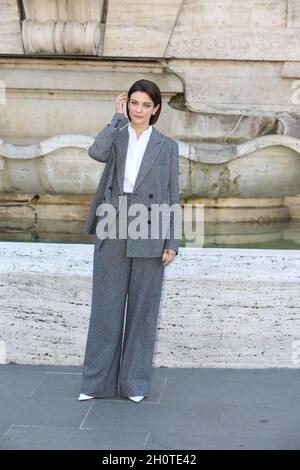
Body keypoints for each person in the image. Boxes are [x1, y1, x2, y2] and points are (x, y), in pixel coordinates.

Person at [78, 79, 180, 403]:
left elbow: (173, 195)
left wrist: (172, 241)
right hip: (113, 223)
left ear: (156, 109)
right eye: (134, 103)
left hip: (150, 229)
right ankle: (95, 384)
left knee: (142, 312)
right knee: (105, 310)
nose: (139, 110)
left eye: (145, 105)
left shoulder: (167, 146)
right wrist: (115, 118)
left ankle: (134, 384)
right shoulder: (117, 135)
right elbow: (96, 152)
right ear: (127, 104)